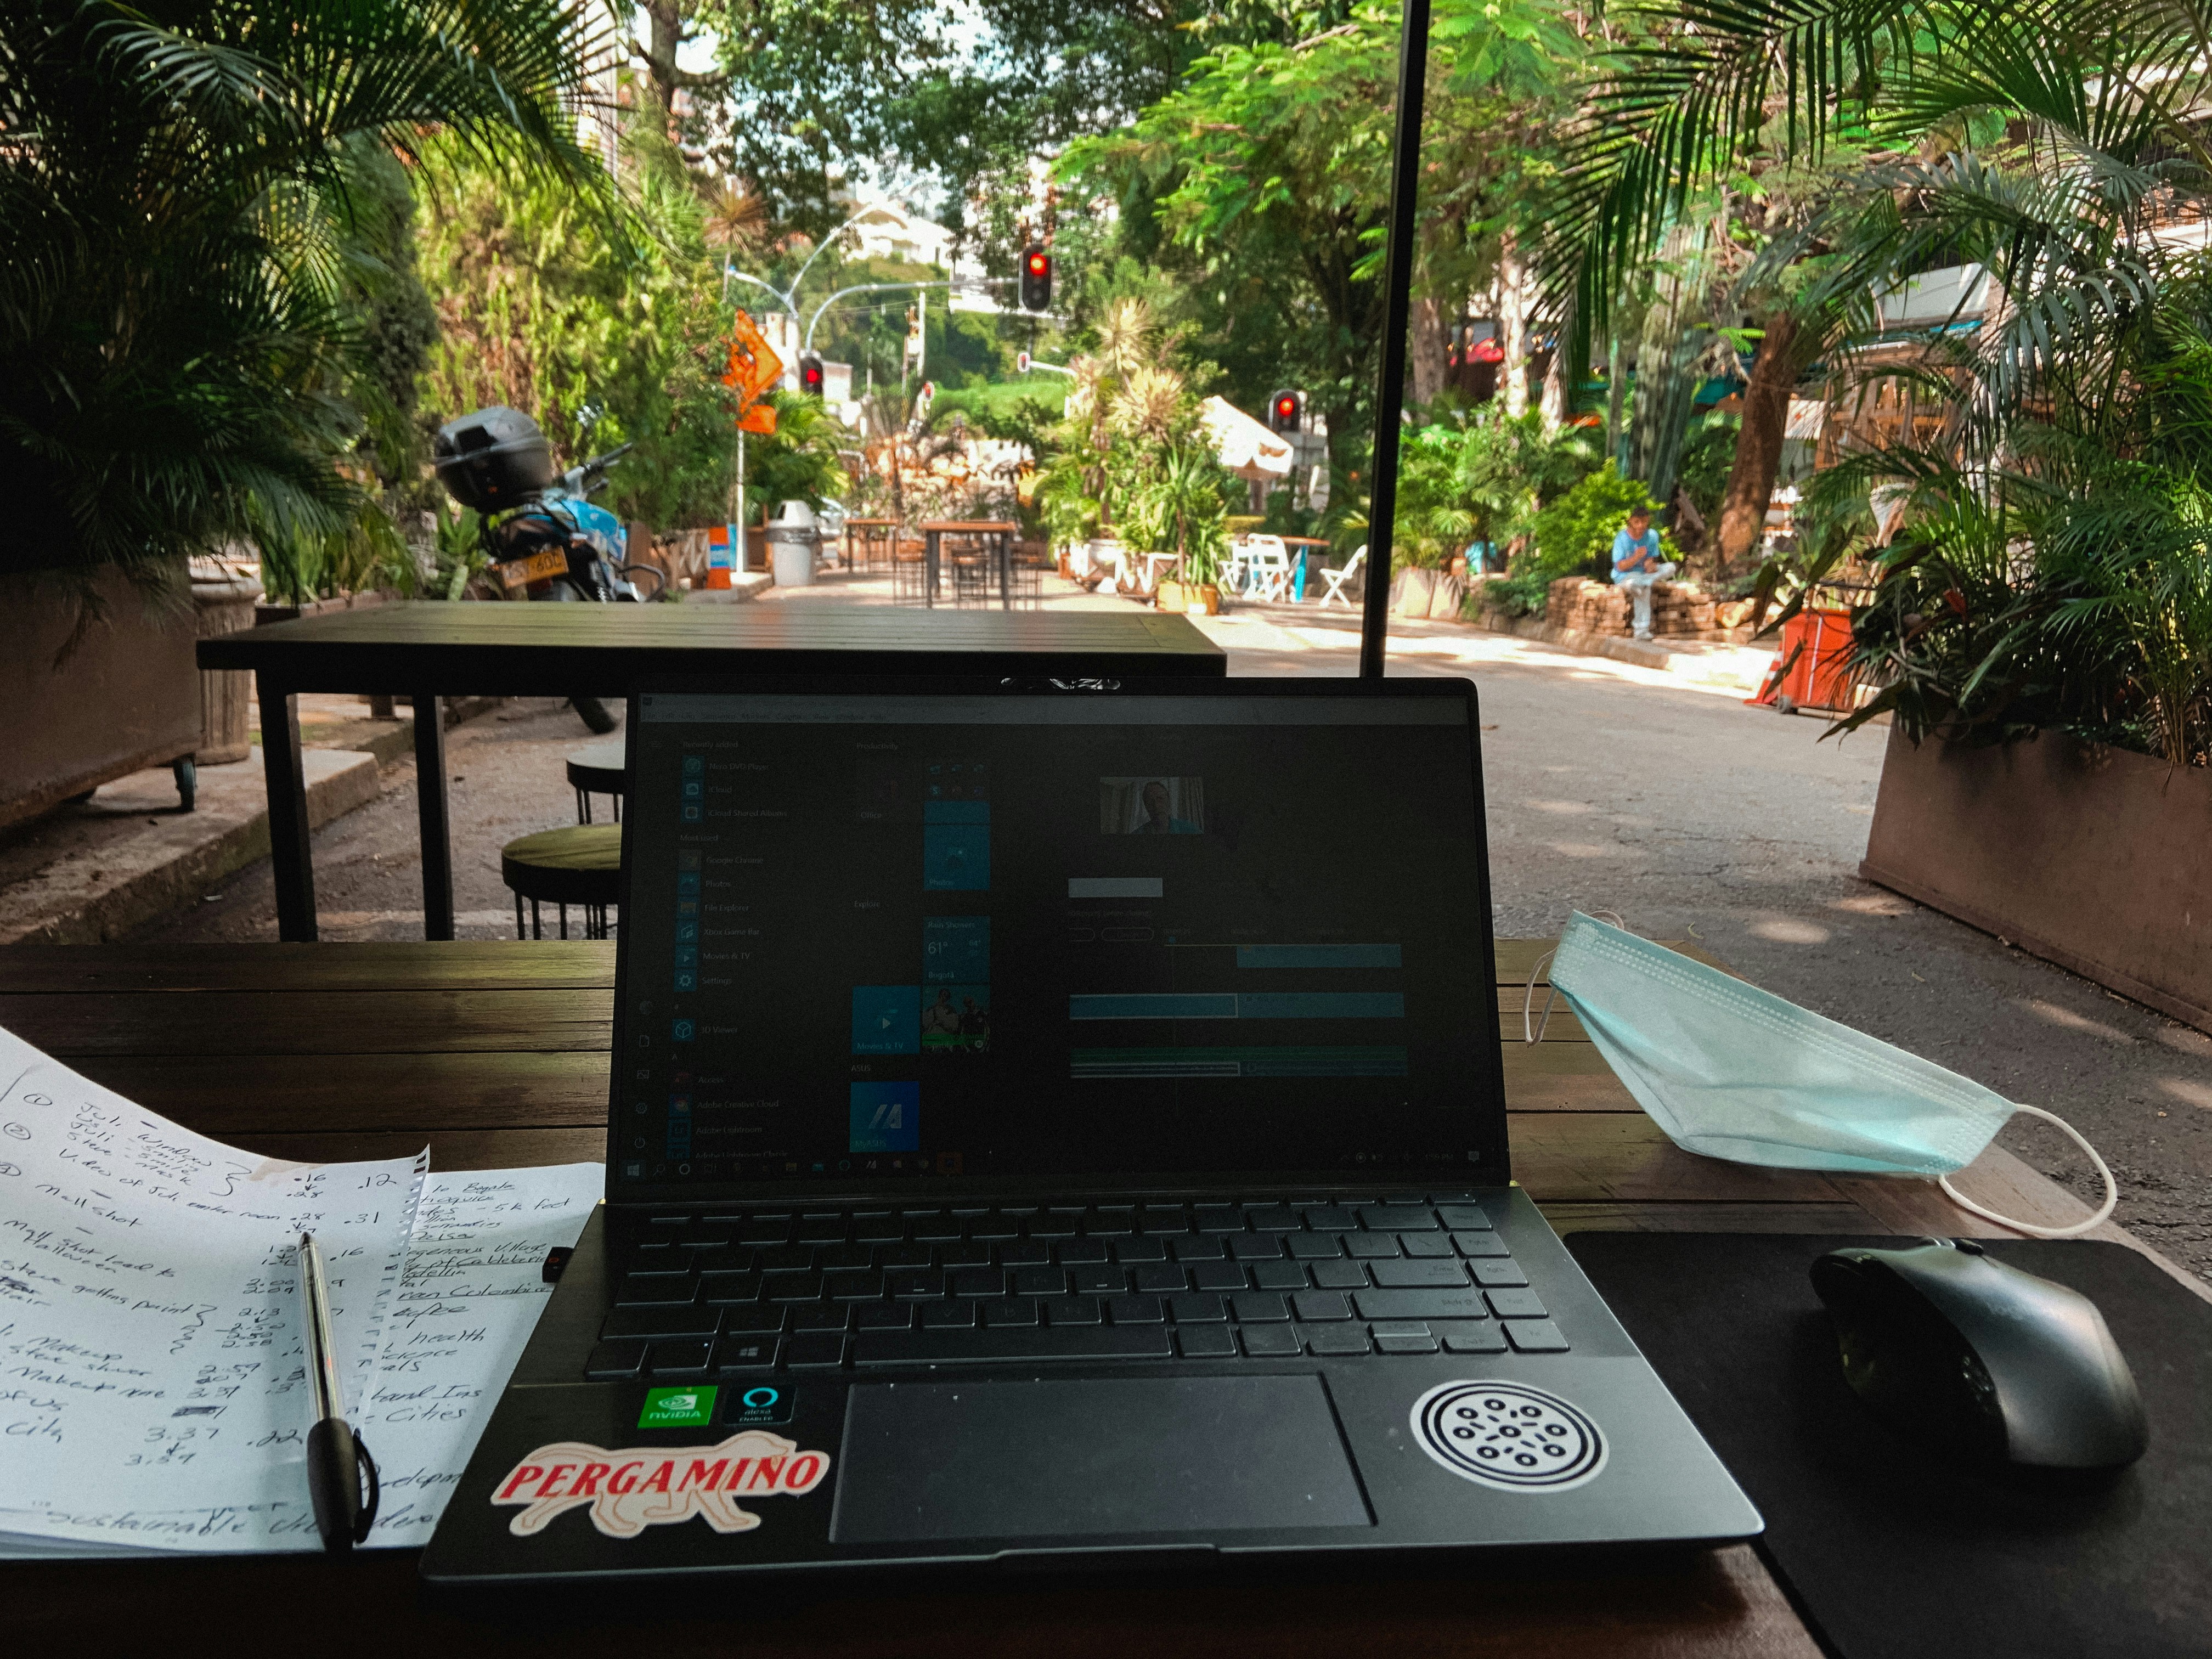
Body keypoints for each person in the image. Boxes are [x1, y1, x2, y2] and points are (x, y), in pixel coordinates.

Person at [1611, 506, 1678, 641]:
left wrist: (1650, 566)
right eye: (1637, 522)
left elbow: (1650, 560)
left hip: (1644, 575)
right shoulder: (1622, 538)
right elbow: (1620, 567)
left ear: (1648, 520)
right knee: (1644, 588)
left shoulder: (1652, 535)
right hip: (1626, 577)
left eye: (1644, 522)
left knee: (1670, 567)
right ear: (1630, 521)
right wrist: (1635, 558)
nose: (1641, 525)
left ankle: (1644, 581)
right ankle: (1641, 630)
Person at [1132, 779, 1200, 834]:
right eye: (1150, 802)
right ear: (1146, 806)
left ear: (1168, 801)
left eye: (1160, 799)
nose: (1157, 806)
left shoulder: (1190, 830)